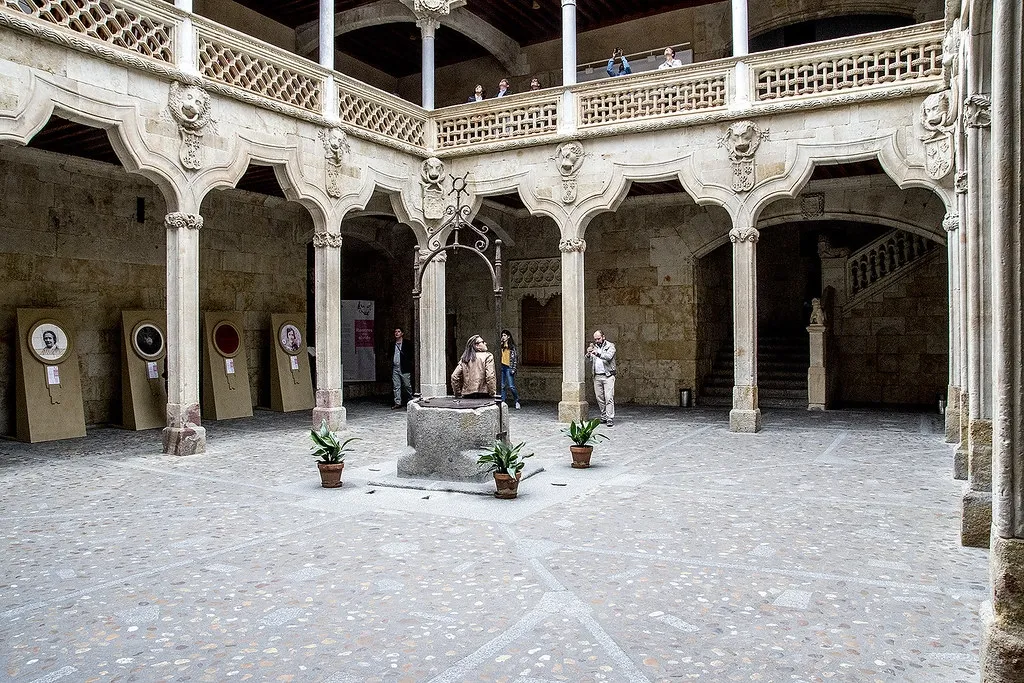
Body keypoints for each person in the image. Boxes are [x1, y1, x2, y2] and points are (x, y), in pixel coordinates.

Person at [586, 330, 616, 426]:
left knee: (609, 397)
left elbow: (609, 357)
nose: (597, 341)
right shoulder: (594, 347)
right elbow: (587, 361)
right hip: (597, 376)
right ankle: (604, 416)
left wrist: (597, 354)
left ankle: (610, 417)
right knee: (599, 397)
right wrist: (588, 354)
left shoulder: (610, 346)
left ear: (603, 337)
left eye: (598, 339)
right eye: (595, 339)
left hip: (608, 375)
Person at [392, 327, 414, 409]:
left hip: (404, 367)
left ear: (402, 333)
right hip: (395, 368)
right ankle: (397, 402)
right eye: (395, 331)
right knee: (396, 386)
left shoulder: (407, 343)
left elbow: (411, 354)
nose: (396, 333)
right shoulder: (392, 344)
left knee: (407, 385)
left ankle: (411, 399)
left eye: (398, 331)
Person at [499, 329, 521, 410]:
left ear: (508, 336)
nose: (503, 337)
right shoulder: (501, 346)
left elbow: (515, 359)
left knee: (511, 386)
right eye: (502, 335)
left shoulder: (512, 347)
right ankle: (503, 401)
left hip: (509, 367)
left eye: (504, 335)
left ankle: (517, 400)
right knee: (502, 386)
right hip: (502, 366)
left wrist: (513, 369)